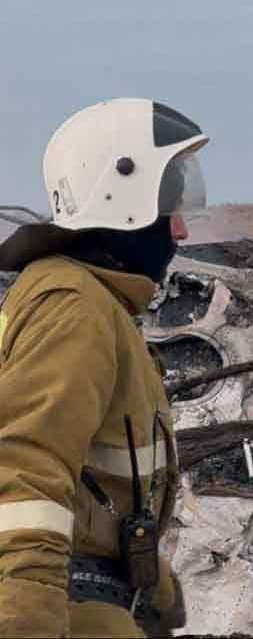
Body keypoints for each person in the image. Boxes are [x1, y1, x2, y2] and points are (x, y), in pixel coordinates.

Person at [0, 98, 209, 636]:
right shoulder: (75, 307)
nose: (181, 232)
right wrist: (26, 618)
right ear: (125, 202)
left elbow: (100, 490)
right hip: (65, 610)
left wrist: (155, 585)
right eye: (170, 209)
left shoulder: (96, 303)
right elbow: (27, 470)